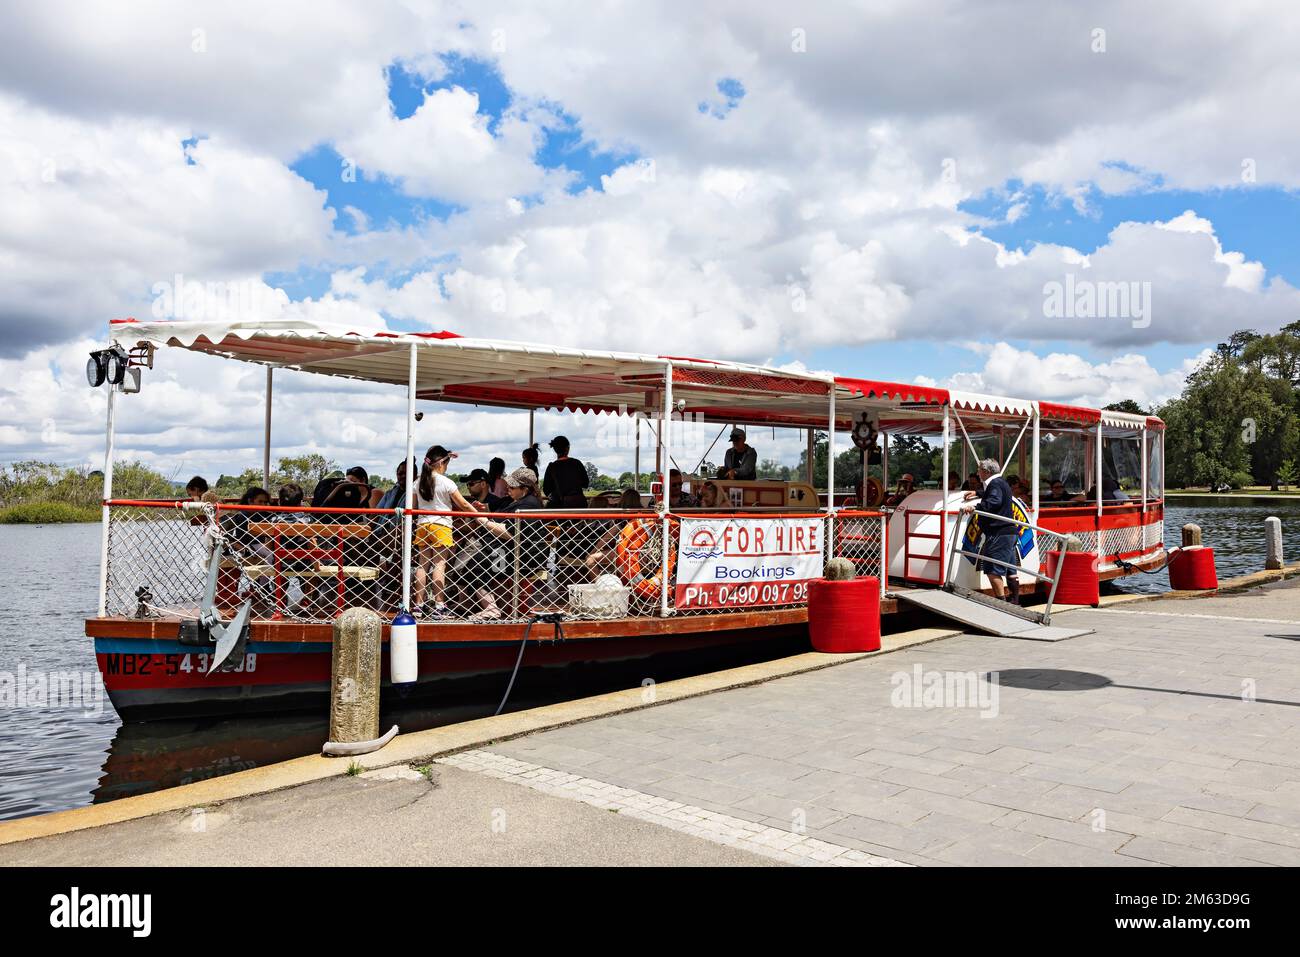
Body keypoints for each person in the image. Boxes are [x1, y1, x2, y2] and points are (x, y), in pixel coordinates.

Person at [413, 445, 481, 618]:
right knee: (439, 564)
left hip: (422, 525)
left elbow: (413, 506)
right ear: (442, 463)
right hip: (441, 525)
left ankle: (418, 606)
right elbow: (463, 504)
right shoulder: (446, 482)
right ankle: (439, 606)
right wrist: (480, 516)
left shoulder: (417, 482)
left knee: (422, 565)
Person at [961, 459, 1020, 604]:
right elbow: (994, 495)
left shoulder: (995, 484)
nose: (977, 473)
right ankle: (1015, 601)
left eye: (979, 470)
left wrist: (975, 508)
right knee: (1011, 571)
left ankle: (1001, 603)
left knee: (992, 569)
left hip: (998, 533)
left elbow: (994, 501)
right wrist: (978, 492)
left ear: (987, 472)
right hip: (1009, 532)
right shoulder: (1001, 482)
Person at [542, 435, 590, 509]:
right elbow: (585, 483)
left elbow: (546, 489)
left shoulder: (552, 467)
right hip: (579, 506)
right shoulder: (577, 463)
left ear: (555, 449)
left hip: (560, 507)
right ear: (567, 448)